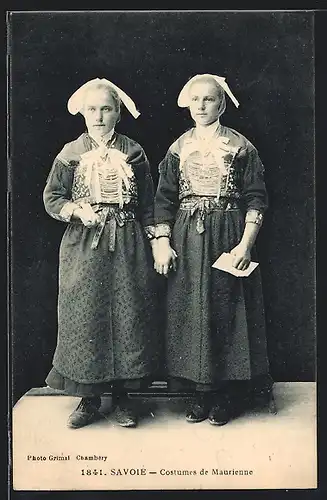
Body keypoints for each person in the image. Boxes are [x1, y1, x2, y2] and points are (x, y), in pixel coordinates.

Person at [153, 73, 275, 426]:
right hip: (187, 234)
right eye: (195, 100)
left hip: (228, 231)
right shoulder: (178, 147)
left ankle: (229, 395)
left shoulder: (240, 146)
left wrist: (246, 244)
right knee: (191, 308)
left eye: (209, 100)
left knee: (227, 308)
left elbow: (256, 197)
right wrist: (163, 242)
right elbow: (164, 199)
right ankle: (201, 392)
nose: (201, 106)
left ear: (222, 104)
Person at [43, 78, 159, 429]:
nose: (98, 115)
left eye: (106, 108)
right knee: (86, 313)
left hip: (127, 241)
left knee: (129, 314)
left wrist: (157, 242)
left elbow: (149, 204)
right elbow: (53, 198)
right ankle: (90, 399)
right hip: (84, 244)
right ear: (82, 112)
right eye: (92, 109)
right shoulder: (70, 153)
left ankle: (123, 398)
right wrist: (78, 212)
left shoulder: (134, 152)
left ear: (118, 113)